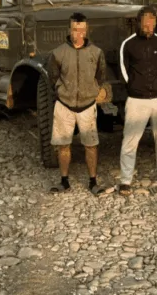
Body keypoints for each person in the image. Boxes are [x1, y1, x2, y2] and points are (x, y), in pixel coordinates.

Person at [118, 5, 157, 195]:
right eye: (146, 23)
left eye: (152, 23)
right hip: (137, 100)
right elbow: (123, 69)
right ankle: (125, 180)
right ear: (139, 22)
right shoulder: (128, 44)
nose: (149, 27)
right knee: (130, 141)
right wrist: (134, 87)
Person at [46, 12, 109, 195]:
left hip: (87, 106)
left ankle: (93, 182)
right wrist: (61, 91)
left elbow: (101, 76)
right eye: (75, 30)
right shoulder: (58, 53)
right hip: (64, 105)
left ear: (86, 30)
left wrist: (93, 92)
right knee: (63, 144)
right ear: (69, 29)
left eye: (81, 30)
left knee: (91, 145)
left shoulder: (96, 52)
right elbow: (52, 78)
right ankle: (64, 181)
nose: (78, 34)